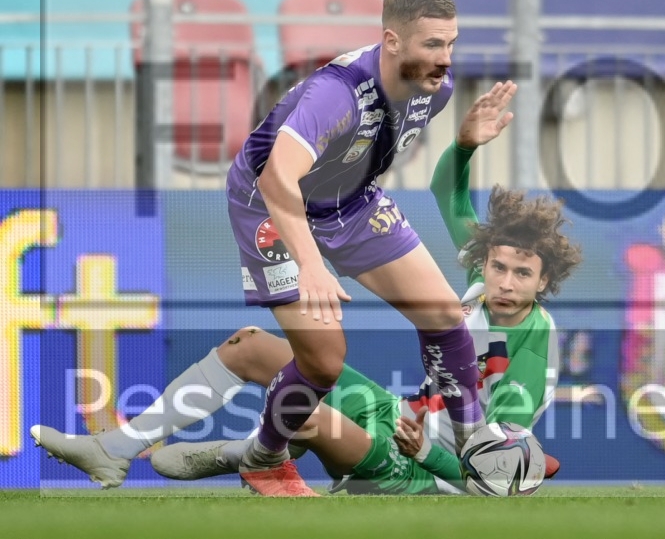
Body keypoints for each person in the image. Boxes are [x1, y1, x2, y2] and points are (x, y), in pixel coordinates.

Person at [31, 0, 520, 495]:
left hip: (347, 202)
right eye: (433, 45)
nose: (446, 59)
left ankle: (473, 445)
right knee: (324, 360)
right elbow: (276, 179)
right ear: (392, 41)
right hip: (267, 203)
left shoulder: (434, 91)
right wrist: (311, 264)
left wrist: (465, 144)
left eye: (451, 43)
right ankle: (177, 451)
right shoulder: (336, 94)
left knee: (442, 315)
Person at [31, 115, 581, 495]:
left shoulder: (532, 349)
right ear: (485, 262)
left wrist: (425, 455)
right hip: (394, 414)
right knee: (252, 349)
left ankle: (239, 454)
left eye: (523, 274)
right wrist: (464, 145)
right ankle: (116, 447)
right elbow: (447, 190)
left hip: (416, 466)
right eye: (499, 266)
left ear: (545, 280)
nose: (505, 281)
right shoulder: (479, 283)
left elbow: (491, 472)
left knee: (306, 413)